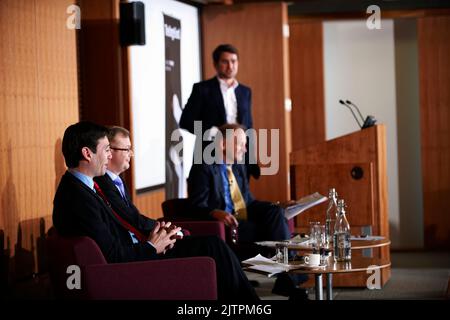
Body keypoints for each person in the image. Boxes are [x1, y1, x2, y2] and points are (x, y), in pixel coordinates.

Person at [52, 121, 258, 301]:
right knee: (213, 247)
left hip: (137, 252)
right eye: (106, 149)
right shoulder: (78, 197)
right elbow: (113, 255)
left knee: (214, 247)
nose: (109, 155)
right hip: (131, 267)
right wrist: (152, 245)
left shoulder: (83, 187)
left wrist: (155, 238)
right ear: (87, 154)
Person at [187, 124, 308, 300]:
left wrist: (278, 205)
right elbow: (195, 206)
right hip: (228, 227)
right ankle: (289, 278)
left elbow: (248, 202)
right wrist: (215, 212)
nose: (245, 149)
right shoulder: (204, 167)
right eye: (240, 144)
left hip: (244, 220)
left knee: (274, 213)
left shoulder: (237, 167)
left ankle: (287, 277)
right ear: (222, 144)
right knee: (277, 229)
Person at [180, 44, 259, 179]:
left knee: (240, 198)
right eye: (225, 61)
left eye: (233, 61)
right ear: (215, 64)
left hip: (239, 156)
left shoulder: (245, 92)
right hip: (209, 155)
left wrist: (251, 160)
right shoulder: (202, 89)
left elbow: (248, 126)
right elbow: (185, 121)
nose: (230, 66)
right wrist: (212, 132)